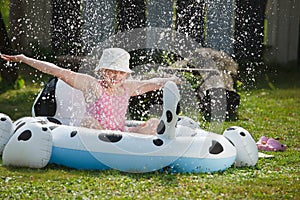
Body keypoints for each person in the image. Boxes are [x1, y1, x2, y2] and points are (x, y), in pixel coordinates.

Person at [1, 48, 180, 135]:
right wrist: (24, 59)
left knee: (154, 123)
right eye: (111, 71)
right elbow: (58, 71)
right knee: (89, 121)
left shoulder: (127, 87)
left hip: (120, 133)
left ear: (125, 74)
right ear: (102, 71)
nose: (115, 76)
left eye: (120, 73)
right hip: (96, 132)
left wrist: (171, 80)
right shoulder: (93, 85)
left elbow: (152, 82)